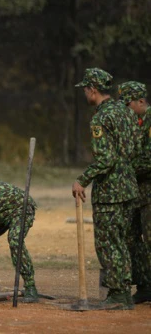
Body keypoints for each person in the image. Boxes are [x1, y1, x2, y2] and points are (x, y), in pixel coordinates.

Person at [72, 68, 138, 310]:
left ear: (93, 89)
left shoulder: (100, 118)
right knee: (121, 241)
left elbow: (105, 159)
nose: (85, 94)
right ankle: (123, 291)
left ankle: (118, 294)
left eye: (86, 89)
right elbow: (134, 149)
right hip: (129, 187)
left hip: (110, 191)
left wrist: (82, 180)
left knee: (108, 243)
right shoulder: (126, 112)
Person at [117, 81, 151, 304]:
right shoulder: (134, 122)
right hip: (135, 192)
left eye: (128, 104)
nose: (126, 108)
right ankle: (145, 285)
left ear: (141, 101)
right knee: (131, 239)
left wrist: (124, 169)